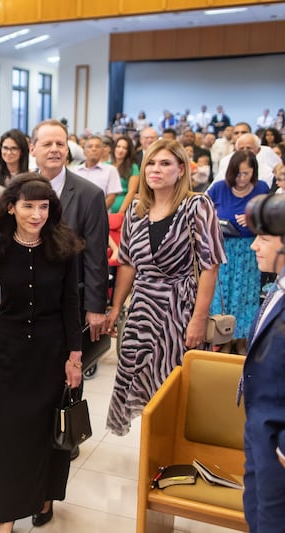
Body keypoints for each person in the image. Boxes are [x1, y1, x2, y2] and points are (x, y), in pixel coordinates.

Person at [0, 175, 83, 531]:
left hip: (51, 352)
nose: (36, 214)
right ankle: (7, 516)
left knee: (46, 434)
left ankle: (44, 496)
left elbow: (71, 304)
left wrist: (74, 358)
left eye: (44, 207)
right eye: (28, 206)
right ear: (11, 207)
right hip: (7, 355)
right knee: (7, 437)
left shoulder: (64, 246)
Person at [105, 139, 225, 435]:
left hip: (180, 309)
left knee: (172, 384)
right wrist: (116, 308)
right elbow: (128, 263)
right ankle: (152, 456)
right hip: (143, 308)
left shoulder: (197, 206)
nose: (156, 170)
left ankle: (173, 451)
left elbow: (210, 267)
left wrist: (198, 318)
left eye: (165, 163)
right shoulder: (136, 210)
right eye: (151, 163)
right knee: (137, 380)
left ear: (181, 169)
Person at [241, 229, 285, 533]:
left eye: (265, 238)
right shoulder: (277, 285)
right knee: (257, 515)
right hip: (260, 428)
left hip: (279, 440)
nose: (254, 245)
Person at [207, 150, 270, 354]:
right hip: (223, 247)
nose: (241, 178)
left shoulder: (261, 187)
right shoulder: (218, 188)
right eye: (238, 173)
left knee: (246, 294)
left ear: (254, 172)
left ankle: (242, 339)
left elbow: (269, 218)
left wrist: (253, 218)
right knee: (223, 293)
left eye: (246, 173)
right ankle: (223, 337)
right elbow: (203, 213)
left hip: (249, 248)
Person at [111, 135, 140, 214]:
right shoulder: (106, 165)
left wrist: (121, 212)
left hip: (121, 209)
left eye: (124, 148)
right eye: (118, 146)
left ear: (128, 151)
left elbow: (132, 192)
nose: (120, 150)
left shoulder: (133, 167)